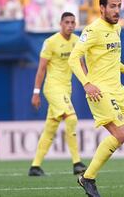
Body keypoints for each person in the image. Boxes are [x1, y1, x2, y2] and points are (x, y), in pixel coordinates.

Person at [68, 0, 124, 196]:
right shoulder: (91, 30)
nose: (117, 11)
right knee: (121, 133)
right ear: (102, 8)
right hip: (99, 91)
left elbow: (111, 59)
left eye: (119, 6)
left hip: (118, 89)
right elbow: (74, 59)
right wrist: (87, 83)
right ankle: (87, 178)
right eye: (112, 7)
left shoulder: (116, 27)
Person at [28, 12, 87, 176]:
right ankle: (77, 162)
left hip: (66, 89)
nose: (70, 25)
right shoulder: (51, 42)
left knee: (50, 128)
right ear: (60, 24)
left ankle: (35, 166)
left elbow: (82, 65)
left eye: (73, 23)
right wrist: (36, 92)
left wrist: (88, 84)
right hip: (52, 88)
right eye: (67, 22)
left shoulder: (77, 41)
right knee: (72, 118)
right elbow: (41, 69)